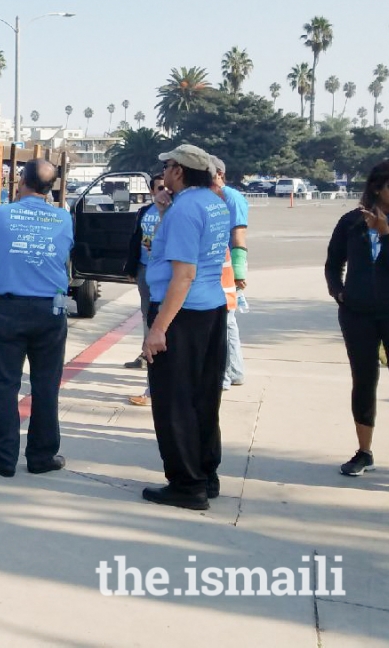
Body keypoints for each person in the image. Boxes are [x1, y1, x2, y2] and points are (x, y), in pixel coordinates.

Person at [140, 144, 231, 510]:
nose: (164, 174)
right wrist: (165, 210)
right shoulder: (213, 202)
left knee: (174, 402)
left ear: (179, 171)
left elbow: (183, 274)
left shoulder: (186, 210)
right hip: (210, 309)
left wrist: (159, 328)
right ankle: (206, 474)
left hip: (182, 314)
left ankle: (186, 484)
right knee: (204, 398)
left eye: (168, 167)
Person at [0, 159, 74, 477]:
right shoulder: (63, 217)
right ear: (50, 187)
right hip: (51, 311)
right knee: (46, 386)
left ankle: (4, 458)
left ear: (22, 180)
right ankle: (42, 457)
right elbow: (64, 253)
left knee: (5, 385)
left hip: (9, 309)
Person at [324, 158, 389, 477]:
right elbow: (333, 263)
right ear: (376, 187)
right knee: (364, 380)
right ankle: (364, 452)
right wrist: (339, 292)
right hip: (357, 315)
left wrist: (386, 234)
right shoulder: (350, 223)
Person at [124, 172, 172, 380]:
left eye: (167, 188)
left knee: (164, 313)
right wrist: (131, 268)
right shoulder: (144, 211)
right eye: (159, 188)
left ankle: (163, 353)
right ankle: (146, 353)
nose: (164, 192)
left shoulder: (174, 211)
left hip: (165, 271)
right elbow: (135, 239)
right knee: (146, 313)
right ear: (152, 191)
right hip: (145, 269)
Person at [212, 157, 250, 389]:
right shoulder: (211, 197)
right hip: (218, 268)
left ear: (218, 173)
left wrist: (238, 270)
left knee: (224, 321)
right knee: (228, 322)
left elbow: (238, 235)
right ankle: (235, 370)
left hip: (226, 269)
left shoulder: (231, 197)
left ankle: (226, 374)